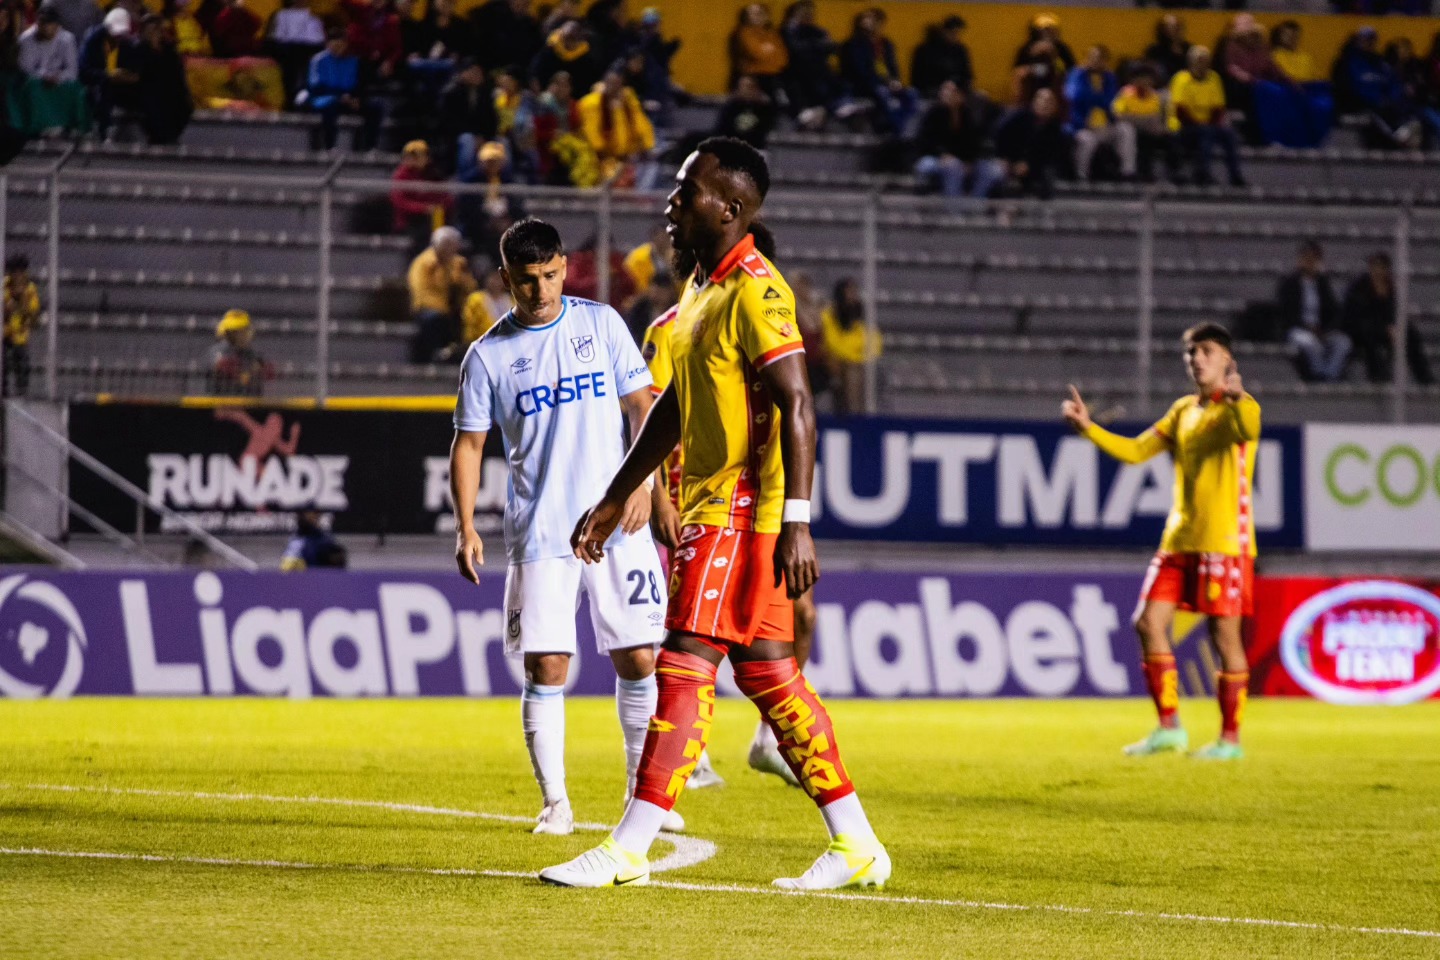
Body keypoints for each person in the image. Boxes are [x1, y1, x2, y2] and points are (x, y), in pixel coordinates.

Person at [543, 137, 890, 890]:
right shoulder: (702, 293)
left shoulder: (758, 291)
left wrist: (796, 518)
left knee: (684, 661)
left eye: (686, 190)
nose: (672, 203)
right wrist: (614, 495)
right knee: (771, 675)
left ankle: (630, 846)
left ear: (730, 208)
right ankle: (857, 841)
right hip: (718, 507)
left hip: (738, 509)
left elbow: (799, 402)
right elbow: (671, 411)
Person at [450, 217, 682, 837]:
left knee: (638, 656)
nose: (542, 291)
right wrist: (465, 525)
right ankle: (555, 802)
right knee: (547, 667)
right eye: (527, 281)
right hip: (542, 531)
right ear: (506, 279)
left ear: (563, 268)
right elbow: (469, 446)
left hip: (618, 521)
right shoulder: (488, 356)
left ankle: (644, 800)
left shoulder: (601, 323)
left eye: (551, 275)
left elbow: (644, 408)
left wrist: (646, 485)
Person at [637, 220, 806, 788]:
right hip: (698, 503)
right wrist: (652, 491)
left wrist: (795, 518)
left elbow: (793, 411)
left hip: (759, 508)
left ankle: (842, 822)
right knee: (688, 641)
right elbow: (656, 411)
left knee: (777, 646)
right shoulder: (672, 325)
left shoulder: (763, 307)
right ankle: (688, 762)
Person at [1062, 323, 1260, 761]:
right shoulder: (1182, 411)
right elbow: (1137, 451)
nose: (1196, 359)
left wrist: (1235, 399)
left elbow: (1248, 428)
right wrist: (1089, 428)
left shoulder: (1239, 408)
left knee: (1223, 637)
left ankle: (1230, 739)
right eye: (1191, 352)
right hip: (1178, 541)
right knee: (1148, 622)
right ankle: (1169, 728)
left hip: (1225, 541)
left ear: (1227, 359)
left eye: (1206, 351)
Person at [1343, 252, 1434, 385]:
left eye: (1382, 267)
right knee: (1369, 332)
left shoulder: (1391, 288)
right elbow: (1359, 316)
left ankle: (1424, 377)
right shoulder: (1359, 286)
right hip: (1360, 330)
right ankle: (1379, 375)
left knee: (1411, 333)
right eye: (1375, 266)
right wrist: (1385, 329)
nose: (1378, 270)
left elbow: (1395, 312)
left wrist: (1396, 327)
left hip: (1384, 329)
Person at [1334, 27, 1422, 150]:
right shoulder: (1346, 63)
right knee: (1377, 114)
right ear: (1357, 41)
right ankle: (1399, 136)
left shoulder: (1380, 63)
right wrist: (1375, 99)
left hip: (1384, 103)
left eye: (1372, 40)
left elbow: (1393, 84)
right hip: (1359, 104)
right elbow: (1349, 88)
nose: (1369, 43)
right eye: (1365, 40)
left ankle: (1407, 135)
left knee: (1409, 110)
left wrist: (1391, 99)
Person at [1168, 46, 1245, 188]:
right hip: (1184, 125)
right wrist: (1202, 125)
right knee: (1206, 133)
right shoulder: (1181, 79)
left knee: (1229, 134)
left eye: (1205, 61)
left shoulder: (1214, 78)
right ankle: (1202, 173)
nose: (1202, 64)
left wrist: (1209, 124)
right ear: (1191, 62)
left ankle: (1235, 176)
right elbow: (1180, 111)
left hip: (1208, 124)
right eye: (1199, 60)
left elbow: (1218, 107)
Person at [912, 79, 999, 199]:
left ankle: (977, 206)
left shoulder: (967, 115)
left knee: (986, 170)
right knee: (953, 167)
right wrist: (942, 155)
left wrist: (969, 161)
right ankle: (954, 212)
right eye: (945, 90)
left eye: (952, 91)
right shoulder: (933, 112)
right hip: (932, 158)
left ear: (961, 96)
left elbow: (972, 142)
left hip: (959, 160)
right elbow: (925, 142)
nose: (947, 93)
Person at [1276, 240, 1348, 383]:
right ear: (1300, 260)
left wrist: (1325, 330)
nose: (1310, 262)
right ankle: (1319, 374)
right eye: (1306, 258)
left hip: (1320, 330)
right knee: (1310, 343)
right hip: (1297, 329)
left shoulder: (1323, 283)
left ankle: (1330, 374)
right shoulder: (1290, 283)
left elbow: (1333, 310)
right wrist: (1307, 327)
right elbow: (1287, 313)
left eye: (1313, 259)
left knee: (1343, 342)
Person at [1065, 45, 1135, 183]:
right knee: (1087, 140)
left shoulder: (1109, 78)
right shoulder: (1077, 74)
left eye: (1100, 59)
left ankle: (1128, 172)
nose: (1095, 62)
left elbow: (1111, 101)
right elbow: (1074, 96)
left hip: (1104, 126)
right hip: (1082, 126)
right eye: (1092, 58)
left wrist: (1094, 97)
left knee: (1126, 130)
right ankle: (1081, 175)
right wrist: (1097, 96)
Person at [302, 29, 382, 150]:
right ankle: (330, 146)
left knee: (374, 107)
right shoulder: (318, 60)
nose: (338, 48)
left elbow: (359, 84)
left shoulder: (354, 61)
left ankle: (370, 147)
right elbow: (315, 85)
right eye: (334, 45)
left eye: (341, 45)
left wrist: (357, 99)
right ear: (328, 45)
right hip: (324, 97)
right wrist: (339, 96)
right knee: (329, 108)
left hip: (348, 99)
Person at [839, 8, 915, 134]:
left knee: (911, 94)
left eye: (875, 19)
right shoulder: (853, 44)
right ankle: (894, 131)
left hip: (886, 82)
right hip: (864, 84)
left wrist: (895, 81)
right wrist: (884, 82)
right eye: (868, 18)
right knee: (883, 94)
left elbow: (893, 66)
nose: (871, 22)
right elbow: (860, 72)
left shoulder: (886, 44)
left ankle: (901, 127)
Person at [408, 225, 476, 362]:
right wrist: (444, 308)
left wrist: (461, 280)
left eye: (453, 246)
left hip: (453, 307)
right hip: (429, 308)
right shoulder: (424, 263)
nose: (450, 249)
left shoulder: (458, 263)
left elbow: (470, 288)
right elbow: (421, 292)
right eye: (447, 245)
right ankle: (433, 356)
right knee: (436, 319)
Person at [577, 67, 654, 187]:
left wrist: (645, 145)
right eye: (611, 83)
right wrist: (603, 153)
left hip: (626, 160)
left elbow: (641, 126)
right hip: (599, 160)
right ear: (605, 83)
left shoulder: (627, 102)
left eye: (618, 84)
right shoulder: (592, 103)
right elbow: (591, 134)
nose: (614, 87)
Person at [17, 7, 87, 136]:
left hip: (59, 79)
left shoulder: (67, 39)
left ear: (56, 25)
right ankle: (38, 127)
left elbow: (72, 70)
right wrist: (45, 76)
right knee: (33, 85)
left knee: (75, 86)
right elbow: (25, 68)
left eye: (49, 23)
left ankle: (72, 126)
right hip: (36, 79)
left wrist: (58, 77)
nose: (45, 27)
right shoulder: (26, 39)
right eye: (42, 23)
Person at [994, 87, 1071, 199]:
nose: (1045, 105)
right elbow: (1000, 136)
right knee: (998, 173)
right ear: (1034, 102)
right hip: (1010, 161)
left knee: (1048, 175)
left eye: (1050, 102)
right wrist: (1007, 159)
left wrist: (1029, 164)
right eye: (1043, 100)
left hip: (1035, 167)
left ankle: (1043, 209)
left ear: (1055, 107)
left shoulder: (1056, 129)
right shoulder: (1018, 118)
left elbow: (1051, 155)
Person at [822, 278, 881, 415]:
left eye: (854, 292)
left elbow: (874, 339)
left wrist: (865, 356)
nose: (852, 295)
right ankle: (854, 415)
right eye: (849, 291)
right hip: (838, 360)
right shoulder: (830, 314)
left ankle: (866, 413)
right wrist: (854, 355)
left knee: (867, 371)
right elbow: (833, 342)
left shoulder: (862, 314)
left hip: (861, 359)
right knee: (852, 371)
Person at [78, 7, 139, 139]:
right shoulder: (92, 43)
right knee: (104, 88)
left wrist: (128, 76)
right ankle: (101, 128)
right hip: (96, 84)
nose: (117, 37)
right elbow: (84, 71)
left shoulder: (127, 45)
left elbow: (133, 69)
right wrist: (108, 75)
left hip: (121, 87)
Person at [780, 0, 838, 129]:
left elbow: (831, 47)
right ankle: (804, 114)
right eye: (803, 12)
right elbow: (796, 50)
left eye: (810, 12)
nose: (807, 15)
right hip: (795, 72)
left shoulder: (816, 30)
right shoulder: (787, 30)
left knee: (831, 80)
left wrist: (812, 46)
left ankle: (828, 110)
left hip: (817, 71)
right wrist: (816, 46)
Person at [134, 13, 191, 145]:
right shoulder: (139, 49)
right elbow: (140, 74)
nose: (154, 33)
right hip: (149, 90)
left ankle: (172, 134)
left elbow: (177, 73)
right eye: (150, 30)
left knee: (179, 101)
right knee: (153, 103)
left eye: (156, 29)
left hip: (170, 89)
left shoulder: (169, 50)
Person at [1113, 64, 1176, 183]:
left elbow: (1156, 118)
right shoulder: (1125, 93)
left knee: (1170, 138)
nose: (1144, 82)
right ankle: (1128, 173)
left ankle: (1172, 174)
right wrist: (1142, 121)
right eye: (1141, 78)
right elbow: (1119, 115)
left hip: (1149, 131)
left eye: (1147, 78)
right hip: (1129, 130)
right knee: (1130, 132)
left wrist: (1159, 126)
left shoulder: (1154, 96)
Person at [391, 139, 454, 253]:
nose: (412, 160)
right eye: (409, 156)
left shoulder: (434, 174)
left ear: (427, 158)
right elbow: (400, 202)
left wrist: (438, 206)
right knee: (422, 235)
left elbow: (446, 198)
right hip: (410, 222)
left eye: (417, 156)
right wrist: (423, 208)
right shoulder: (401, 175)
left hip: (434, 219)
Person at [265, 0, 325, 106]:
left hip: (308, 51)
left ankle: (302, 99)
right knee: (288, 76)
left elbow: (317, 39)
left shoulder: (314, 16)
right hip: (286, 51)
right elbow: (276, 37)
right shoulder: (281, 15)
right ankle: (289, 100)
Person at [209, 309, 274, 395]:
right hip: (223, 402)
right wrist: (252, 371)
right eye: (235, 332)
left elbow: (270, 373)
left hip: (251, 403)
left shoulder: (253, 353)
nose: (241, 335)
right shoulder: (218, 351)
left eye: (243, 331)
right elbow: (228, 370)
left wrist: (258, 369)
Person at [728, 3, 786, 96]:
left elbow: (782, 58)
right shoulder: (742, 33)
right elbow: (756, 53)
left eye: (761, 13)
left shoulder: (772, 34)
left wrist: (768, 55)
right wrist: (768, 53)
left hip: (773, 77)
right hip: (751, 78)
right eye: (754, 14)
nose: (758, 17)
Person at [3, 254, 40, 398]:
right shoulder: (4, 287)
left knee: (22, 363)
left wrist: (22, 302)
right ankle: (3, 395)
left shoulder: (30, 290)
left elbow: (34, 315)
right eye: (14, 272)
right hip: (5, 335)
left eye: (21, 272)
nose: (18, 276)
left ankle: (22, 394)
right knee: (3, 363)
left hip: (20, 336)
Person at [910, 14, 971, 98]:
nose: (956, 37)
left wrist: (960, 87)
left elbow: (967, 75)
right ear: (944, 31)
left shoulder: (960, 50)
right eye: (953, 33)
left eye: (958, 33)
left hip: (957, 90)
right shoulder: (925, 50)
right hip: (931, 90)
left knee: (980, 97)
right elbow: (918, 78)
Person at [713, 73, 776, 150]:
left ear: (756, 88)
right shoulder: (730, 107)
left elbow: (764, 132)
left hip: (755, 150)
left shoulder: (765, 109)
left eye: (750, 87)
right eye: (743, 87)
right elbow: (722, 130)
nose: (746, 90)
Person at [459, 265, 511, 345]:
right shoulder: (475, 299)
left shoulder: (511, 300)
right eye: (492, 278)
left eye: (498, 278)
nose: (495, 282)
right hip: (483, 342)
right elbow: (470, 327)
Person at [280, 510, 347, 570]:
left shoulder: (325, 540)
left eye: (315, 514)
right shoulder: (295, 541)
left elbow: (337, 561)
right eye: (306, 514)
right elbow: (286, 568)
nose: (311, 517)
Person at [1144, 14, 1191, 84]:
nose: (1176, 30)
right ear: (1163, 30)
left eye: (1178, 27)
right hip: (1163, 87)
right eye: (1172, 27)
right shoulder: (1154, 51)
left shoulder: (1189, 49)